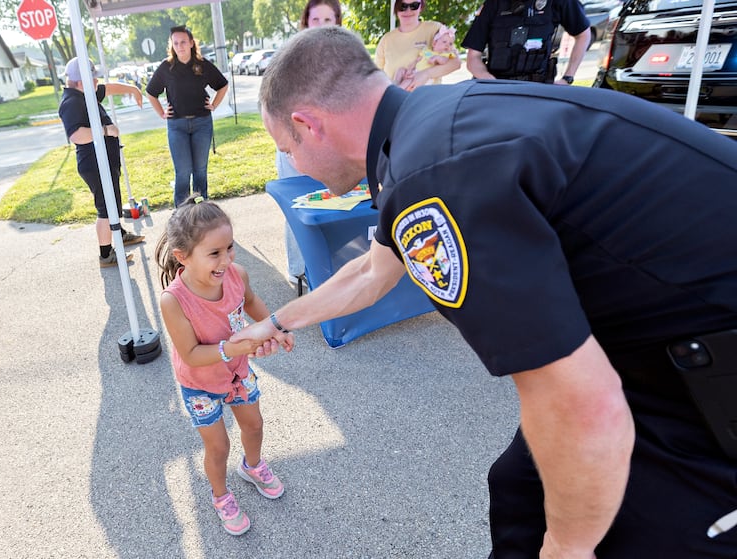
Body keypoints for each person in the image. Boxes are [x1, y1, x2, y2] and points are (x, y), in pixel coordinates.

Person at [237, 26, 737, 557]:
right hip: (657, 339)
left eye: (286, 148)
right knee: (520, 486)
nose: (293, 164)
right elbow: (371, 273)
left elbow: (580, 401)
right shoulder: (427, 126)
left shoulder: (431, 174)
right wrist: (276, 323)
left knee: (621, 533)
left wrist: (568, 547)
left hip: (703, 367)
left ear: (306, 125)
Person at [155, 194, 292, 536]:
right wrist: (232, 348)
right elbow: (190, 354)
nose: (226, 259)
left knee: (254, 424)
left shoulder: (237, 274)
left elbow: (251, 302)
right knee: (218, 447)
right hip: (200, 384)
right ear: (182, 257)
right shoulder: (174, 301)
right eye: (214, 253)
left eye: (229, 247)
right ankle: (221, 496)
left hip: (238, 372)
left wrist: (276, 326)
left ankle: (253, 465)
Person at [277, 0, 344, 286]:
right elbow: (274, 103)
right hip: (295, 144)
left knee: (330, 205)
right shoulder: (290, 56)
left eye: (328, 20)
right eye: (315, 20)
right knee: (298, 207)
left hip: (329, 146)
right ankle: (299, 270)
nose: (321, 26)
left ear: (337, 23)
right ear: (306, 22)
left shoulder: (344, 57)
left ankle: (329, 268)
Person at [58, 57, 145, 268]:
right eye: (93, 78)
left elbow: (108, 88)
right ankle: (106, 255)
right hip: (94, 164)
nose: (97, 82)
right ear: (80, 81)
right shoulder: (72, 102)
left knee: (113, 201)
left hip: (104, 160)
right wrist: (106, 131)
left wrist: (133, 89)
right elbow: (77, 135)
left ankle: (119, 233)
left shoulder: (85, 93)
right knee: (106, 209)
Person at [146, 25, 229, 207]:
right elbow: (151, 92)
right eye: (175, 43)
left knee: (200, 170)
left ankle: (200, 211)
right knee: (183, 172)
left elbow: (223, 85)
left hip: (202, 123)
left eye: (183, 42)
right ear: (172, 46)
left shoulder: (202, 65)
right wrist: (161, 112)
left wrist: (214, 104)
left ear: (191, 43)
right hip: (177, 126)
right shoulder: (166, 68)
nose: (180, 46)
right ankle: (182, 214)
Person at [462, 0, 591, 84]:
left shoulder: (558, 3)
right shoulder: (494, 4)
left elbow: (583, 34)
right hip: (498, 89)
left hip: (539, 90)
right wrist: (489, 80)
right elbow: (473, 57)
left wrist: (567, 78)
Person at [375, 0, 461, 91]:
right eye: (402, 6)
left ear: (421, 7)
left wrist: (426, 74)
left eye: (414, 5)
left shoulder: (435, 29)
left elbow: (455, 63)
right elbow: (377, 76)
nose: (408, 11)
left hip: (426, 101)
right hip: (396, 102)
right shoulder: (386, 39)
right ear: (396, 8)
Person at [393, 24, 459, 90]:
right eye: (444, 42)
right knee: (401, 70)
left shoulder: (444, 55)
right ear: (434, 43)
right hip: (415, 71)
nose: (447, 45)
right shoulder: (426, 52)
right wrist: (409, 70)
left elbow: (444, 61)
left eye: (450, 44)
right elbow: (417, 61)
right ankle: (395, 84)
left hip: (426, 79)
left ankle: (397, 91)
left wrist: (437, 58)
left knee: (408, 81)